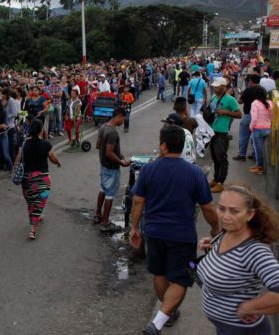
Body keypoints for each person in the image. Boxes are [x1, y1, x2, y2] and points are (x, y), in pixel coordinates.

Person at [129, 125, 220, 335]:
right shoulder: (195, 173)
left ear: (163, 145)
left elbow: (137, 202)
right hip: (182, 234)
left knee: (159, 272)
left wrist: (135, 228)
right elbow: (208, 207)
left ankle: (166, 312)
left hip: (154, 232)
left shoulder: (149, 170)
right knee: (181, 277)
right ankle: (165, 313)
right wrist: (216, 228)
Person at [198, 185, 279, 334]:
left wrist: (250, 307)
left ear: (250, 214)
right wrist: (212, 245)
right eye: (221, 208)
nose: (225, 216)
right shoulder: (226, 232)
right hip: (223, 327)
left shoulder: (255, 251)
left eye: (234, 211)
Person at [17, 119, 61, 240]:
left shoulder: (25, 144)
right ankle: (33, 229)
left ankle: (38, 216)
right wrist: (58, 162)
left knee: (31, 202)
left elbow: (18, 159)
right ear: (41, 130)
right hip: (42, 179)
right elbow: (53, 158)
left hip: (26, 178)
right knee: (39, 202)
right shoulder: (46, 144)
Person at [94, 107, 130, 233]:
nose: (123, 121)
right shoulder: (113, 133)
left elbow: (98, 145)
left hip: (103, 165)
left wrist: (118, 153)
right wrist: (122, 162)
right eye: (123, 118)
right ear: (119, 116)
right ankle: (105, 223)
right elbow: (109, 152)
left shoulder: (104, 127)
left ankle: (97, 214)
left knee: (102, 189)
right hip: (111, 167)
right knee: (109, 195)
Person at [208, 77, 242, 193]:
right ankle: (216, 178)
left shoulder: (230, 99)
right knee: (214, 157)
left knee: (221, 157)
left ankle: (220, 182)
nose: (215, 88)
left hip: (222, 133)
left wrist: (226, 112)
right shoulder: (213, 97)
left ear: (224, 87)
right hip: (211, 131)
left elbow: (239, 114)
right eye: (215, 86)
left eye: (217, 87)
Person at [234, 75, 263, 162]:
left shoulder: (248, 90)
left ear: (251, 81)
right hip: (259, 116)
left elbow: (240, 101)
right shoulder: (263, 90)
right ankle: (255, 154)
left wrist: (241, 95)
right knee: (255, 137)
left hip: (248, 115)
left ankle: (242, 154)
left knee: (243, 136)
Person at [248, 86, 273, 175]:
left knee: (258, 149)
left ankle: (260, 167)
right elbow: (272, 116)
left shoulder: (255, 103)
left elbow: (254, 118)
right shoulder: (270, 102)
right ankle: (259, 165)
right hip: (268, 128)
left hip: (258, 129)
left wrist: (251, 127)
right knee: (265, 149)